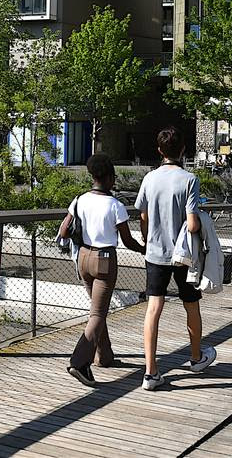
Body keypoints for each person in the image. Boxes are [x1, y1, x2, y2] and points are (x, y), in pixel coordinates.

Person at [136, 126, 216, 390]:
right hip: (182, 254)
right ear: (183, 150)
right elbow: (192, 225)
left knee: (153, 308)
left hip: (155, 252)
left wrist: (147, 238)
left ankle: (151, 372)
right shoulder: (189, 179)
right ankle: (195, 358)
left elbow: (143, 216)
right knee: (191, 305)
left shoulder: (149, 178)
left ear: (159, 151)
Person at [58, 153, 145, 387]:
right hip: (105, 259)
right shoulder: (115, 205)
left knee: (98, 309)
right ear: (109, 178)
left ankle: (103, 356)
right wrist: (144, 250)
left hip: (83, 257)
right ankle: (79, 362)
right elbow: (127, 240)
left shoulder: (80, 199)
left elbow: (65, 230)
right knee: (97, 314)